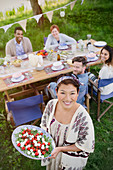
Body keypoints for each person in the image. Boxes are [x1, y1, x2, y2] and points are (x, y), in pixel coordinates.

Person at [40, 74, 95, 170]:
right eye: (63, 93)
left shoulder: (82, 116)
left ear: (78, 93)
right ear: (56, 92)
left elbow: (85, 144)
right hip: (52, 153)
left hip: (70, 160)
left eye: (72, 93)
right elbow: (44, 125)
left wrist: (60, 149)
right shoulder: (51, 105)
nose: (67, 98)